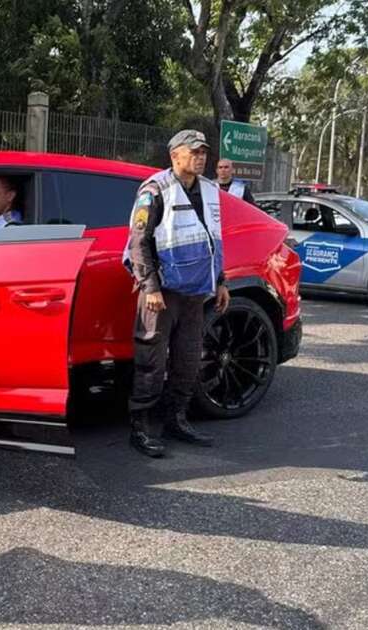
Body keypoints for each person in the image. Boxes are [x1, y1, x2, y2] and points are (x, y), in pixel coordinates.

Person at [122, 129, 231, 458]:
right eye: (194, 151)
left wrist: (221, 281)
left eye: (204, 152)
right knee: (151, 362)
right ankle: (140, 428)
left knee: (187, 361)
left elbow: (214, 239)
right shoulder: (156, 190)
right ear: (175, 156)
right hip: (162, 293)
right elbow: (138, 242)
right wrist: (150, 286)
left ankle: (175, 420)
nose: (201, 157)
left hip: (195, 292)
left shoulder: (209, 191)